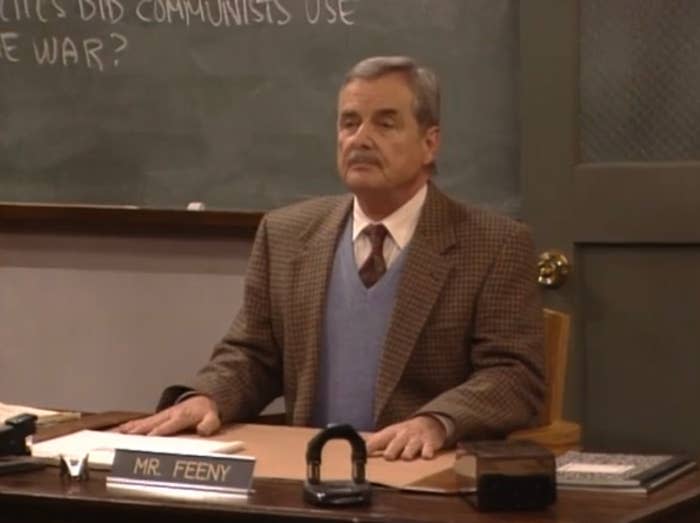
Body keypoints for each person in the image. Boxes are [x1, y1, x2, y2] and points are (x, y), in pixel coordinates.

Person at [120, 56, 545, 461]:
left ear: (429, 143)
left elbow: (513, 376)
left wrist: (437, 422)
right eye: (349, 123)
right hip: (308, 472)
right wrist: (208, 396)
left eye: (386, 123)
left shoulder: (492, 244)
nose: (360, 139)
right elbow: (252, 354)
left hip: (420, 474)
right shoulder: (286, 234)